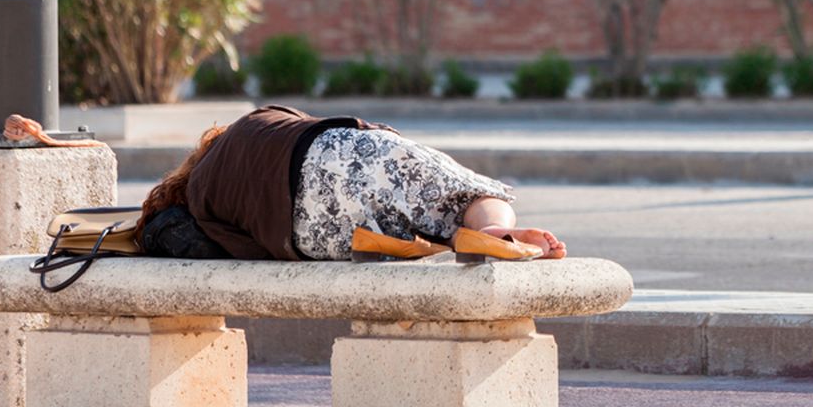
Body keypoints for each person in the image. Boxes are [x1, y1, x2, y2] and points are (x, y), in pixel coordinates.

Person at [139, 105, 566, 262]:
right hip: (342, 152)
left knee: (405, 233)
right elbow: (315, 124)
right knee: (469, 192)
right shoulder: (250, 124)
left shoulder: (203, 204)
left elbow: (247, 251)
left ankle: (449, 238)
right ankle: (491, 228)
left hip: (309, 227)